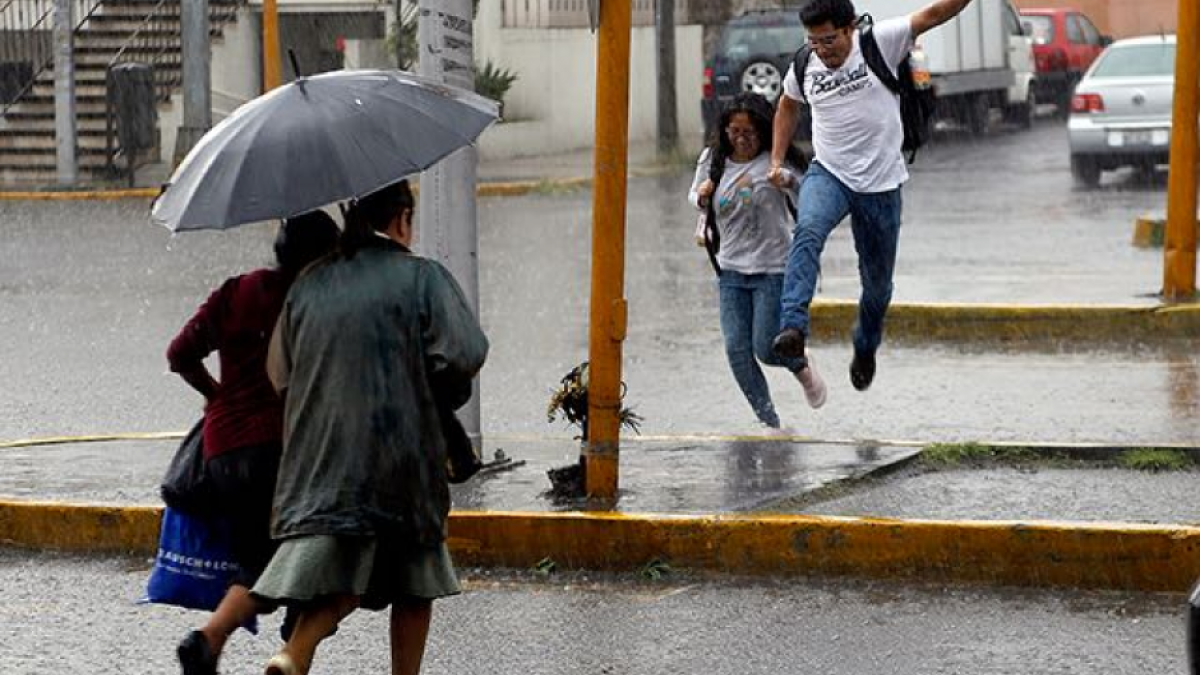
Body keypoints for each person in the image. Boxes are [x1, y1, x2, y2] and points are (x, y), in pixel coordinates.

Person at [252, 179, 488, 675]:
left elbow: (281, 376)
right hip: (402, 458)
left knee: (341, 573)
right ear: (402, 218)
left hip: (320, 461)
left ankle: (293, 653)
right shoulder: (422, 278)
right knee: (414, 581)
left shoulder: (310, 283)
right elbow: (464, 352)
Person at [769, 0, 976, 391]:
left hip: (881, 184)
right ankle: (793, 327)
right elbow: (787, 105)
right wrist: (777, 159)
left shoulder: (880, 41)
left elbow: (934, 15)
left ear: (849, 28)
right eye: (814, 42)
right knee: (808, 231)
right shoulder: (805, 64)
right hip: (829, 173)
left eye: (829, 40)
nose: (822, 50)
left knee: (877, 288)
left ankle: (865, 346)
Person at [167, 210, 340, 675]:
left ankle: (237, 642)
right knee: (279, 561)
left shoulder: (235, 291)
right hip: (282, 452)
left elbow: (179, 353)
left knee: (265, 554)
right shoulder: (310, 302)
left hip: (223, 448)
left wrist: (215, 396)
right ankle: (211, 637)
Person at [688, 92, 827, 430]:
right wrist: (702, 194)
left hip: (773, 268)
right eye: (733, 132)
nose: (741, 139)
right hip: (731, 269)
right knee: (737, 351)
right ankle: (770, 424)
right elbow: (695, 196)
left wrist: (789, 180)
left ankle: (801, 364)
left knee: (766, 348)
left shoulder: (775, 159)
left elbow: (808, 197)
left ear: (763, 130)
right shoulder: (713, 159)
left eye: (748, 132)